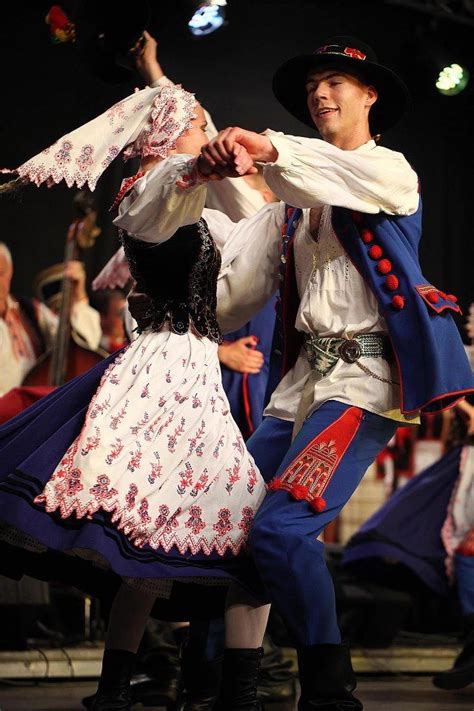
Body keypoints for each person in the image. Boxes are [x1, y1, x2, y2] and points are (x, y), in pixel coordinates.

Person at [127, 35, 474, 710]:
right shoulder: (290, 206)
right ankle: (232, 683)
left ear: (369, 95)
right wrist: (172, 306)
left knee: (280, 531)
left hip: (362, 387)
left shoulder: (391, 173)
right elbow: (235, 296)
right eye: (314, 83)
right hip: (299, 389)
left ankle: (328, 683)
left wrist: (263, 146)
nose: (321, 93)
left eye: (336, 81)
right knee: (230, 527)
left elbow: (314, 168)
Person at [0, 81, 270, 711]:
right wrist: (206, 158)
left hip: (194, 371)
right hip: (161, 375)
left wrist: (237, 168)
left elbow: (257, 229)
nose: (209, 130)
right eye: (200, 122)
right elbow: (176, 175)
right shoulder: (146, 194)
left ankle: (123, 688)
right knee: (224, 539)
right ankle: (219, 693)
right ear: (171, 131)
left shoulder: (199, 203)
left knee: (161, 552)